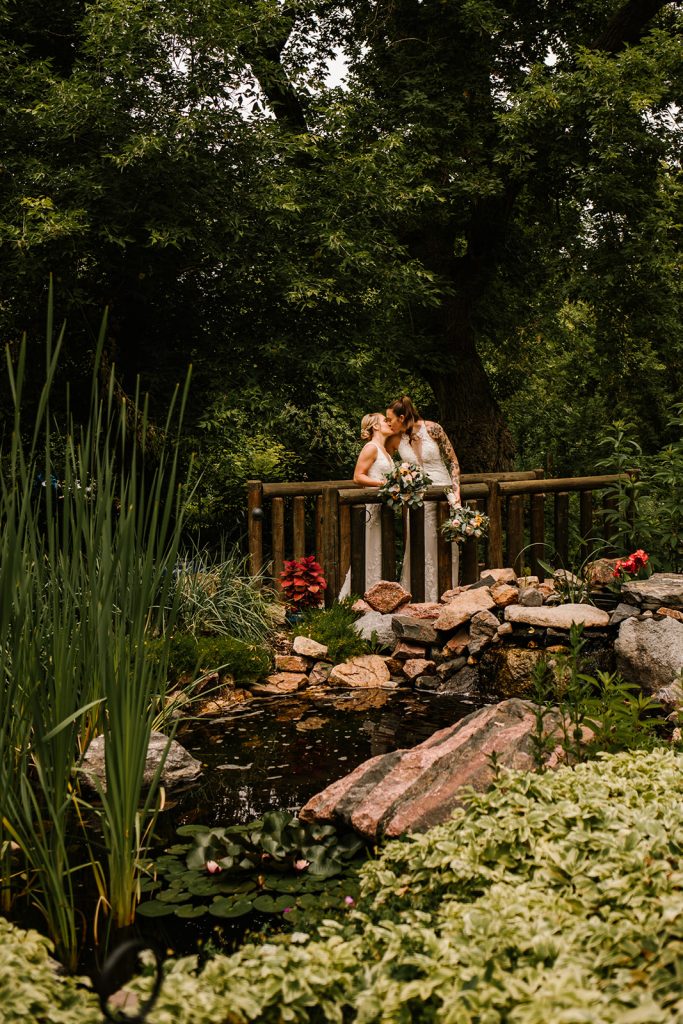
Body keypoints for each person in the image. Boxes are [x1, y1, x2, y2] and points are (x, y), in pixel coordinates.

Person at [386, 395, 461, 601]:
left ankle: (447, 593)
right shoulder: (394, 439)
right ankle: (420, 596)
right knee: (419, 542)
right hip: (417, 500)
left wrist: (456, 494)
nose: (388, 423)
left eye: (390, 419)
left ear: (402, 417)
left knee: (445, 542)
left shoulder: (433, 429)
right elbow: (384, 465)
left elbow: (453, 462)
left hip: (443, 494)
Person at [338, 412, 395, 597]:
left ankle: (380, 594)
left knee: (381, 548)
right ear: (376, 427)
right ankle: (362, 594)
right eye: (385, 421)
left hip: (384, 507)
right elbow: (358, 476)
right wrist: (385, 485)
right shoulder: (371, 448)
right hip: (373, 506)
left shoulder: (385, 450)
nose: (389, 423)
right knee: (372, 548)